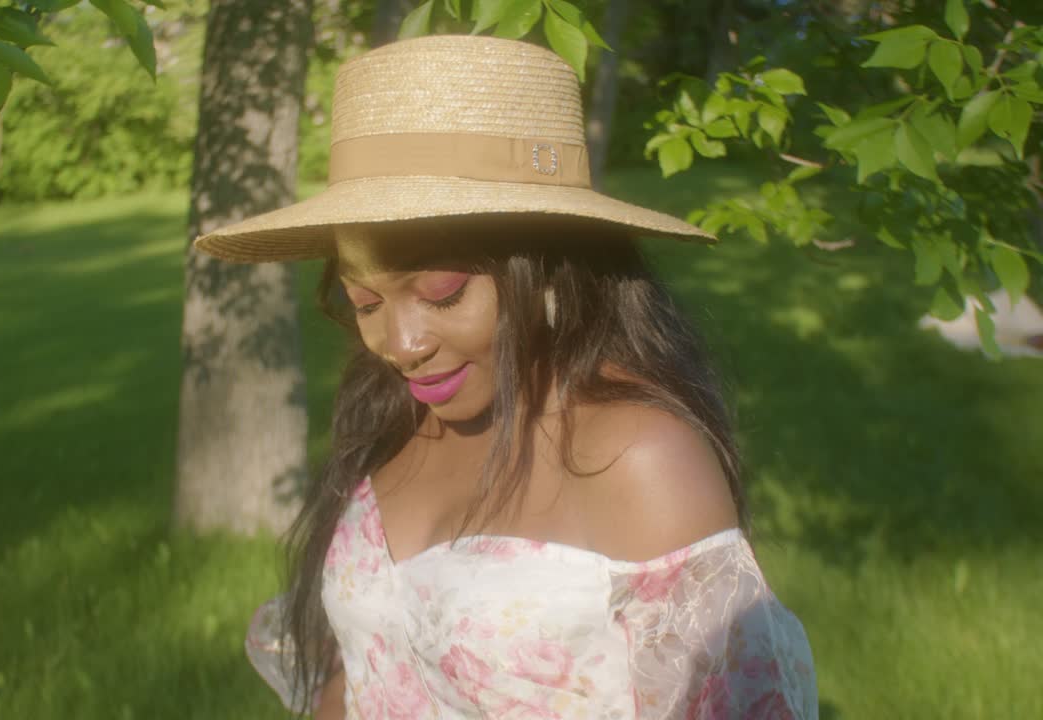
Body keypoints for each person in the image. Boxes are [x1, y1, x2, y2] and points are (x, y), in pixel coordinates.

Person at [194, 34, 817, 720]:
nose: (399, 346)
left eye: (443, 294)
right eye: (365, 302)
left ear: (548, 267)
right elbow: (363, 669)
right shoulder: (395, 424)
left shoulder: (638, 459)